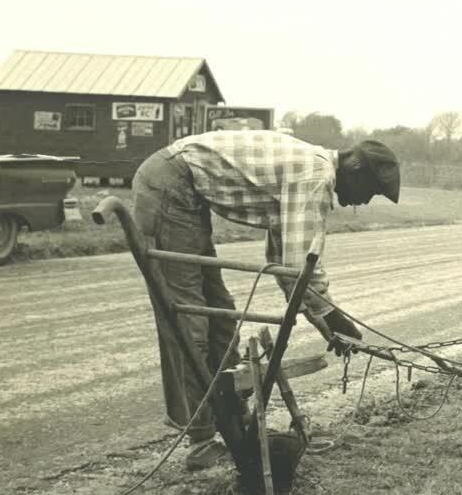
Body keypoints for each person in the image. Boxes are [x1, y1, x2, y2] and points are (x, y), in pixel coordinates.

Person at [131, 129, 401, 469]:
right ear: (356, 169)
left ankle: (231, 421)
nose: (364, 201)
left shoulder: (310, 171)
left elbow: (285, 264)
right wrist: (335, 319)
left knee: (222, 316)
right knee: (190, 321)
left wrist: (326, 325)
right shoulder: (316, 176)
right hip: (170, 183)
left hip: (184, 189)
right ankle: (201, 439)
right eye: (371, 191)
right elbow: (300, 266)